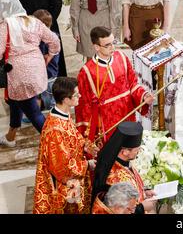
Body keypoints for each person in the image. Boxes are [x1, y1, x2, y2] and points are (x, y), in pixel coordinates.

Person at [75, 26, 153, 150]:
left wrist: (144, 96)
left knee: (129, 150)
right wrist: (88, 135)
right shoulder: (86, 72)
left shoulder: (122, 58)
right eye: (107, 45)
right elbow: (84, 107)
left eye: (113, 42)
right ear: (96, 47)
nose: (113, 47)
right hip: (106, 122)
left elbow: (133, 84)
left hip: (127, 114)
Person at [0, 0, 60, 148]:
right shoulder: (34, 22)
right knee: (15, 101)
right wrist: (49, 57)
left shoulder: (5, 25)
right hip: (37, 69)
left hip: (19, 75)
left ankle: (58, 145)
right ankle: (11, 136)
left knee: (33, 112)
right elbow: (54, 41)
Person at [33, 77, 97, 214]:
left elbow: (72, 136)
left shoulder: (62, 113)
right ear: (66, 99)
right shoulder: (55, 129)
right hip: (64, 187)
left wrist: (86, 146)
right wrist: (87, 165)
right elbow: (62, 168)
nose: (79, 96)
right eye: (76, 94)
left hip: (73, 177)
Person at [92, 121, 157, 214]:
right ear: (125, 152)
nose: (139, 151)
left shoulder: (123, 164)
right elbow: (118, 210)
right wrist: (142, 207)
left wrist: (144, 193)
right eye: (137, 149)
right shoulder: (115, 177)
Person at [33, 9, 59, 111]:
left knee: (49, 98)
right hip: (49, 74)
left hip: (47, 75)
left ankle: (49, 113)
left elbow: (44, 58)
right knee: (39, 95)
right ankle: (38, 112)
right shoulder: (54, 35)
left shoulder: (43, 40)